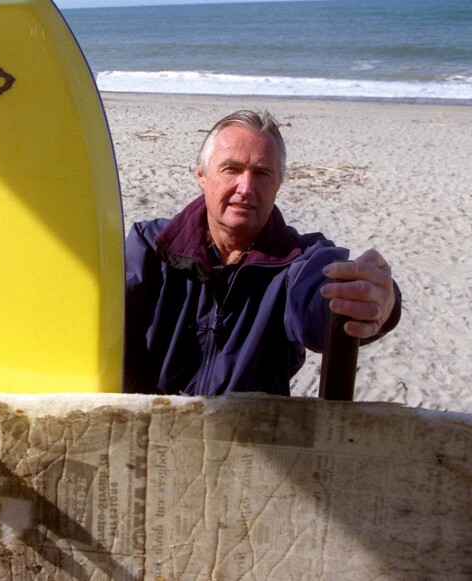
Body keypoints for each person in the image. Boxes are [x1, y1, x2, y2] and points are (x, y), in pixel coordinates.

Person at [124, 110, 401, 397]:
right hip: (146, 431)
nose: (246, 188)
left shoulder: (299, 259)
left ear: (279, 181)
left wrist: (376, 298)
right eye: (231, 169)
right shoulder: (150, 246)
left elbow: (321, 304)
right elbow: (98, 308)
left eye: (262, 173)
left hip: (251, 437)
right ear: (202, 175)